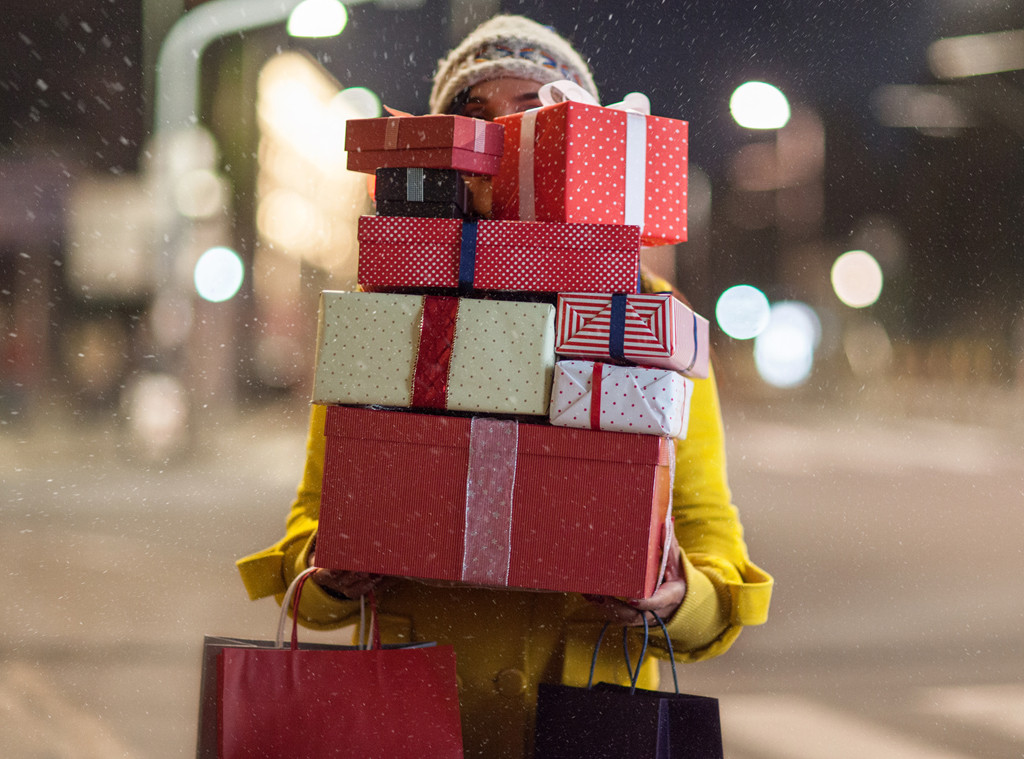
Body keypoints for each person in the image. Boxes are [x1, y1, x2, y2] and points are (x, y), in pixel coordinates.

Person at [237, 14, 773, 758]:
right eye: (474, 120)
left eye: (533, 119)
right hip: (412, 717)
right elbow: (309, 534)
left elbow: (710, 548)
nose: (501, 149)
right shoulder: (388, 308)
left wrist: (676, 595)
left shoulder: (653, 321)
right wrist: (335, 575)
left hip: (592, 720)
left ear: (585, 145)